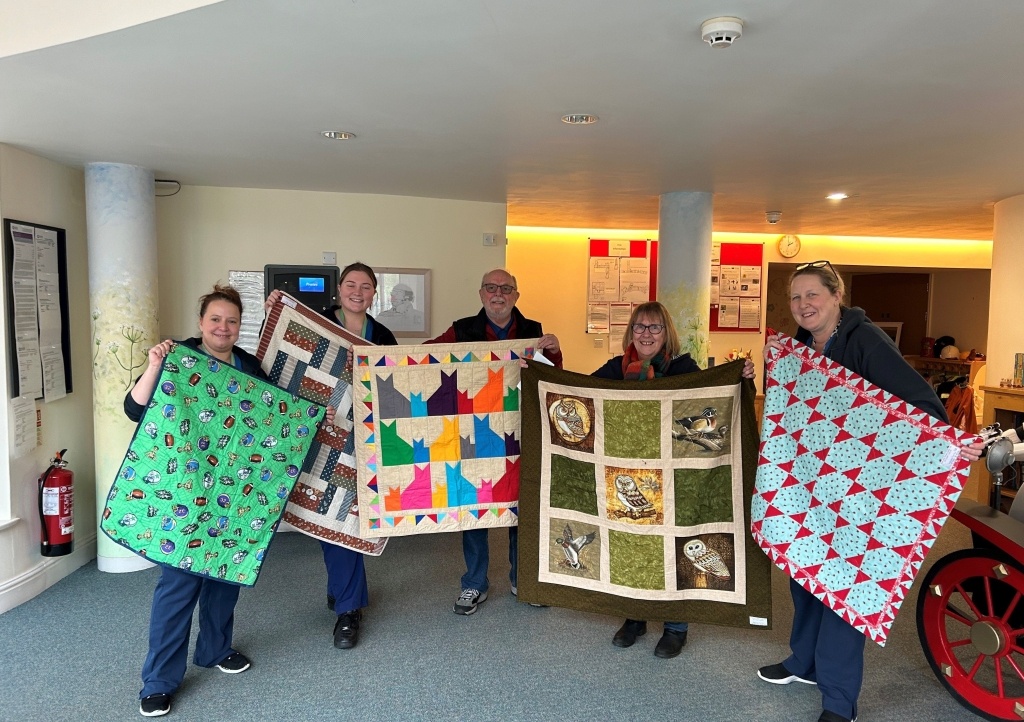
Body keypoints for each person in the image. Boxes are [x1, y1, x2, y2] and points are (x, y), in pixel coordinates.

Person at [758, 260, 983, 722]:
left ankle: (839, 701)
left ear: (836, 295)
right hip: (810, 488)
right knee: (805, 577)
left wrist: (949, 447)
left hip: (860, 498)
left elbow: (922, 409)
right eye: (796, 298)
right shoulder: (799, 347)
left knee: (845, 588)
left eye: (812, 295)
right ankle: (805, 663)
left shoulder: (864, 341)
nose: (803, 305)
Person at [126, 285, 261, 718]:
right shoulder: (178, 358)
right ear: (202, 322)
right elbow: (134, 408)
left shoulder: (250, 368)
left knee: (226, 576)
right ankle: (159, 681)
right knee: (178, 585)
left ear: (241, 326)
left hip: (235, 494)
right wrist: (153, 365)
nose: (224, 327)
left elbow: (271, 420)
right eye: (216, 319)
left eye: (232, 321)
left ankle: (215, 650)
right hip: (187, 493)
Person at [594, 302, 754, 659]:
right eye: (639, 327)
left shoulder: (684, 368)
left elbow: (711, 399)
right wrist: (542, 369)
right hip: (631, 471)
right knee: (632, 539)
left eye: (654, 328)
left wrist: (742, 377)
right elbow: (579, 391)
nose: (646, 334)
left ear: (667, 333)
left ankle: (676, 625)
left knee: (679, 540)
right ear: (630, 331)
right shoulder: (616, 368)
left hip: (676, 473)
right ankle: (635, 617)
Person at [266, 261, 396, 651]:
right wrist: (275, 309)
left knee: (350, 520)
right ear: (339, 289)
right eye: (351, 284)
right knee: (330, 513)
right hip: (321, 439)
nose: (358, 291)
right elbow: (281, 366)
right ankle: (346, 599)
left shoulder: (384, 335)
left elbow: (392, 385)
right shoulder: (317, 326)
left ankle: (347, 606)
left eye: (366, 287)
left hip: (365, 442)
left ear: (375, 293)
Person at [426, 268, 563, 615]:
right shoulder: (461, 330)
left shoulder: (533, 332)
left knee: (521, 508)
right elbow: (425, 359)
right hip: (473, 435)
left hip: (518, 434)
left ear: (516, 295)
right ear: (481, 293)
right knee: (475, 508)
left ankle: (523, 580)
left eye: (506, 289)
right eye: (491, 288)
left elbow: (552, 377)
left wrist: (556, 352)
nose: (498, 294)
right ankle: (474, 583)